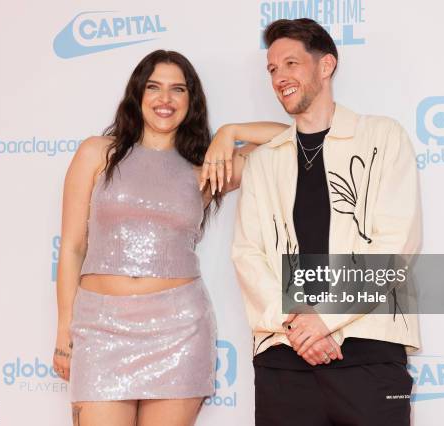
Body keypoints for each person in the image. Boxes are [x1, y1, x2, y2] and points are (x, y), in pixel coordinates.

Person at [51, 49, 285, 426]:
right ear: (137, 95)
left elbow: (293, 138)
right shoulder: (97, 153)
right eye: (154, 87)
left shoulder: (207, 169)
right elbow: (73, 247)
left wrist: (231, 133)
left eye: (178, 89)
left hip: (178, 330)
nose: (165, 99)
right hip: (99, 329)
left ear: (191, 101)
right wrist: (64, 329)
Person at [230, 19, 422, 426]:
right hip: (283, 356)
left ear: (325, 65)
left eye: (291, 63)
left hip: (370, 350)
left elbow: (396, 242)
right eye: (272, 69)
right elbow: (248, 254)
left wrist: (325, 318)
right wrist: (299, 326)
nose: (280, 76)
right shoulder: (264, 160)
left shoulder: (383, 136)